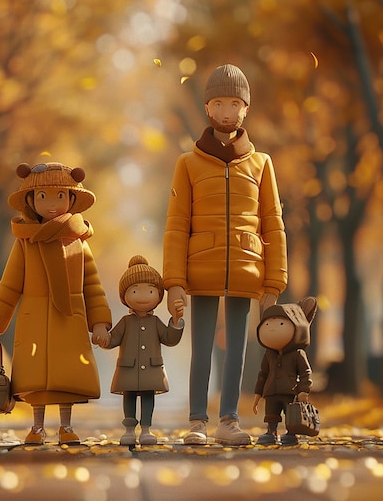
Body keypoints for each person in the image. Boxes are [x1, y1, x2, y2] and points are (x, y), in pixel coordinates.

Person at [163, 64, 288, 446]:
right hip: (200, 269)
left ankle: (229, 420)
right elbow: (176, 224)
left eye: (235, 103)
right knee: (201, 346)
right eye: (219, 102)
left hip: (247, 269)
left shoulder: (261, 163)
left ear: (246, 109)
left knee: (238, 348)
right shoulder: (188, 163)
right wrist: (174, 283)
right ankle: (198, 421)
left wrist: (274, 280)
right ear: (207, 108)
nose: (228, 111)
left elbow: (273, 222)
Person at [0, 162, 112, 445]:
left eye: (60, 196)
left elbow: (92, 286)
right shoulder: (26, 244)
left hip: (70, 318)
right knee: (36, 378)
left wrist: (99, 322)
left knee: (67, 377)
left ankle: (66, 426)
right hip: (35, 318)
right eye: (43, 196)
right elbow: (10, 285)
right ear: (31, 201)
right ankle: (37, 427)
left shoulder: (78, 241)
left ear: (71, 199)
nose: (52, 204)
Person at [101, 255, 184, 446]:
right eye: (135, 290)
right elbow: (113, 339)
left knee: (148, 397)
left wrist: (177, 322)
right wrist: (103, 338)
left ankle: (146, 429)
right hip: (129, 368)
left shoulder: (155, 322)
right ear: (125, 296)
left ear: (158, 296)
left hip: (152, 368)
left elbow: (169, 339)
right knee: (129, 396)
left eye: (150, 291)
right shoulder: (125, 322)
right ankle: (129, 429)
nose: (143, 296)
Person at [252, 297, 317, 446]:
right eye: (267, 324)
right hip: (271, 392)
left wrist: (304, 391)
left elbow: (306, 373)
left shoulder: (298, 354)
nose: (272, 328)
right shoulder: (269, 354)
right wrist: (257, 395)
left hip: (290, 392)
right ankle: (271, 432)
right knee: (271, 415)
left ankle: (291, 433)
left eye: (281, 324)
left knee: (291, 415)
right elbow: (263, 374)